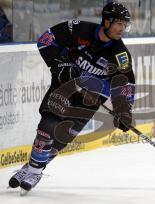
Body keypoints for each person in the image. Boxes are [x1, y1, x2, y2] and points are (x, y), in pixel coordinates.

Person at [8, 2, 135, 193]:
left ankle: (32, 167)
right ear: (106, 21)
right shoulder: (78, 29)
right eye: (119, 24)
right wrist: (59, 65)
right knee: (49, 124)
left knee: (60, 138)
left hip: (89, 99)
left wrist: (124, 111)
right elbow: (45, 40)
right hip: (65, 85)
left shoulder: (120, 54)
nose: (122, 29)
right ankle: (35, 170)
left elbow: (125, 84)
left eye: (125, 25)